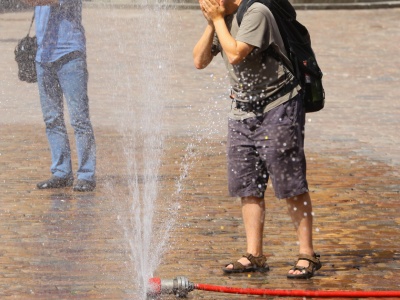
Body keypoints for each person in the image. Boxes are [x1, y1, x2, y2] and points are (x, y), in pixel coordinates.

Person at [193, 0, 321, 278]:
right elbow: (199, 61)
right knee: (247, 184)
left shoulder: (256, 13)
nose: (203, 2)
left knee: (290, 182)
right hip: (242, 110)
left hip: (279, 105)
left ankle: (307, 253)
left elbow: (237, 53)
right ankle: (254, 254)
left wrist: (216, 21)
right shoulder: (220, 19)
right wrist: (210, 24)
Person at [22, 0, 96, 192]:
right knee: (52, 119)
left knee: (80, 120)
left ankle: (86, 174)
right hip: (43, 57)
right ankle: (61, 172)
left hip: (70, 55)